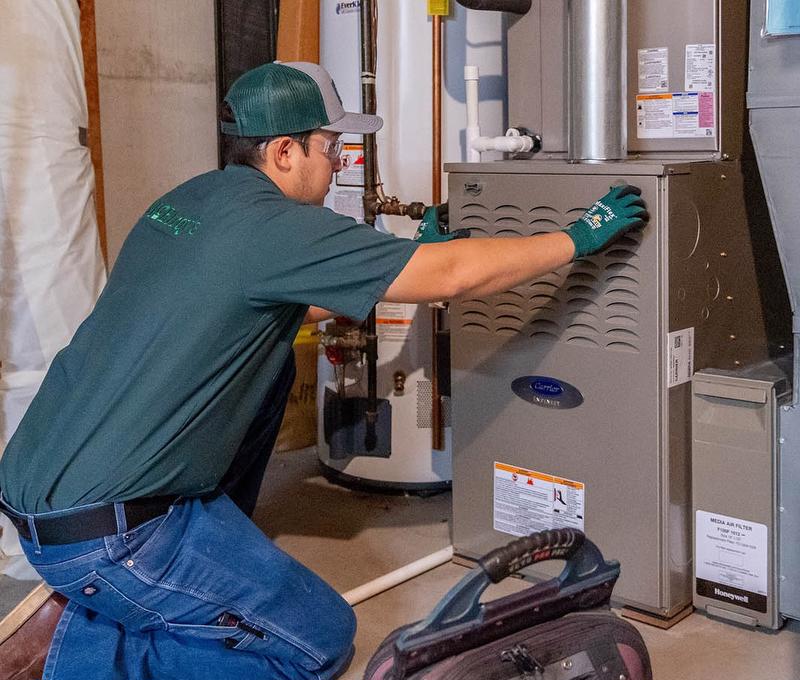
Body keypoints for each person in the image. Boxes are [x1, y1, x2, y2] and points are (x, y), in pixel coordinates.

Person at [0, 61, 648, 679]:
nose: (338, 162)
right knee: (316, 643)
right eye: (328, 146)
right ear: (284, 152)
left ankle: (118, 596)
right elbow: (454, 275)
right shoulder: (278, 227)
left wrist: (399, 264)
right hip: (112, 532)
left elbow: (251, 299)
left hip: (42, 486)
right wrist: (576, 238)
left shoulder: (190, 203)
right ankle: (70, 655)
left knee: (272, 359)